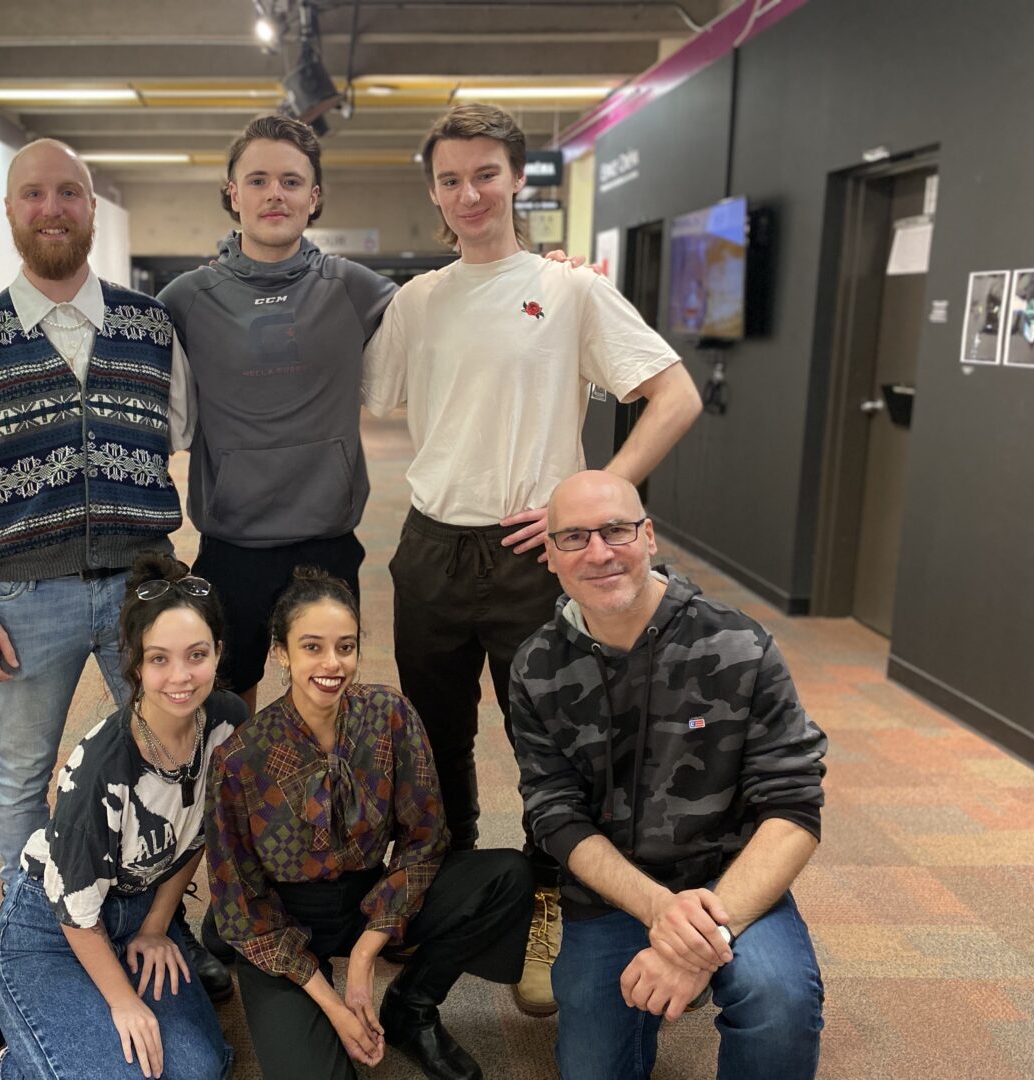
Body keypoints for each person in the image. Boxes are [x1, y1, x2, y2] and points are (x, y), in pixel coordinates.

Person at [360, 102, 703, 1014]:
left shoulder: (570, 291)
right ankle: (443, 891)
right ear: (432, 191)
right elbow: (366, 396)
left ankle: (554, 913)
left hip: (533, 557)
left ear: (516, 178)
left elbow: (673, 396)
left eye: (484, 174)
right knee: (433, 746)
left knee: (550, 745)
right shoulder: (417, 301)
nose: (468, 193)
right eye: (449, 179)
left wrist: (592, 498)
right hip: (432, 548)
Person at [0, 138, 190, 886]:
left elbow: (191, 440)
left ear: (92, 209)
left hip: (146, 590)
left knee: (170, 753)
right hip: (25, 598)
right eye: (34, 194)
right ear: (9, 209)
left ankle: (159, 917)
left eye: (69, 192)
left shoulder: (150, 328)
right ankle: (31, 927)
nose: (52, 209)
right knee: (23, 771)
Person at [510, 470, 828, 1080]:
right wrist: (660, 912)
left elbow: (793, 808)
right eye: (574, 537)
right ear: (549, 556)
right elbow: (554, 814)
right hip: (609, 896)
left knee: (780, 1000)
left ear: (649, 536)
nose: (599, 552)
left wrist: (699, 939)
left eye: (616, 530)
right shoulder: (536, 667)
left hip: (728, 882)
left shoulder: (739, 645)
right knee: (591, 1068)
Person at [207, 568, 532, 1080]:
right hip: (283, 919)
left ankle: (411, 1008)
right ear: (281, 653)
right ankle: (268, 977)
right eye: (312, 647)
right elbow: (242, 904)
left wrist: (364, 956)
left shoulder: (390, 713)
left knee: (508, 877)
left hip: (368, 895)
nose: (332, 664)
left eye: (346, 646)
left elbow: (426, 839)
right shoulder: (239, 758)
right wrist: (335, 1007)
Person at [157, 115, 395, 715]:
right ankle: (237, 810)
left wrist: (546, 273)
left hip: (327, 542)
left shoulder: (354, 287)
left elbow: (452, 306)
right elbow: (108, 342)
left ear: (313, 197)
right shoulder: (186, 298)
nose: (275, 194)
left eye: (291, 181)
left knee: (324, 704)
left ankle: (320, 811)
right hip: (232, 542)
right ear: (232, 193)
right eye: (258, 180)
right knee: (228, 706)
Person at [0, 553, 245, 1079]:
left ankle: (53, 1037)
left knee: (200, 1070)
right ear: (136, 664)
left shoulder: (225, 724)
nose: (180, 677)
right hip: (55, 927)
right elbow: (77, 915)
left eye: (196, 655)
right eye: (159, 659)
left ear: (219, 654)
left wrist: (156, 927)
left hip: (134, 913)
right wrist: (125, 1002)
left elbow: (192, 841)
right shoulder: (102, 769)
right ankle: (12, 1045)